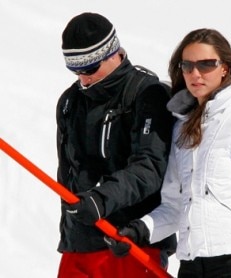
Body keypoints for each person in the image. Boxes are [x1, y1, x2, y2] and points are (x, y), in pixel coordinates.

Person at [108, 28, 231, 277]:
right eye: (188, 65)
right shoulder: (182, 127)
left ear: (225, 67)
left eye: (206, 64)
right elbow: (174, 205)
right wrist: (140, 229)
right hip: (191, 264)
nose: (195, 73)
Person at [55, 12, 176, 277]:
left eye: (89, 69)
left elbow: (151, 167)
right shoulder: (69, 102)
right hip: (79, 245)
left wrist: (100, 201)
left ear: (112, 53)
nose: (83, 79)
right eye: (75, 71)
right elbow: (68, 173)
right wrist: (70, 232)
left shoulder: (147, 94)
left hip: (128, 243)